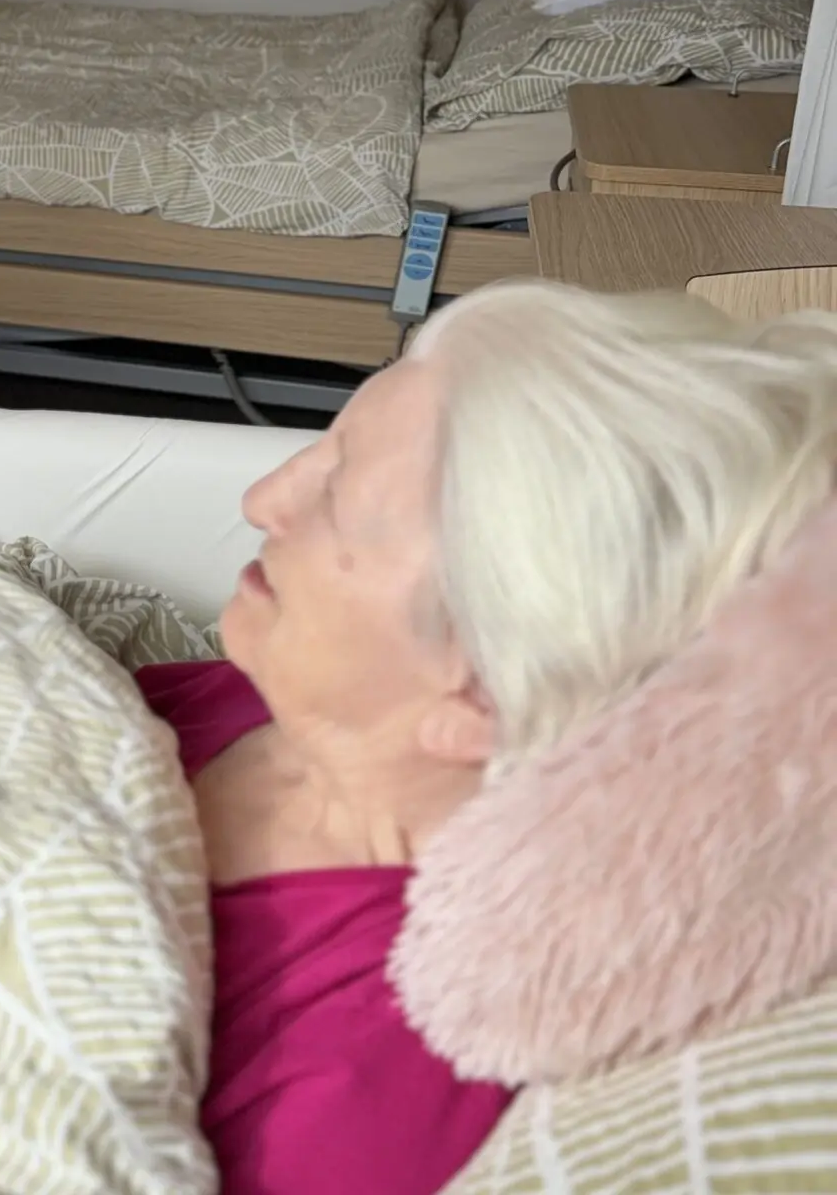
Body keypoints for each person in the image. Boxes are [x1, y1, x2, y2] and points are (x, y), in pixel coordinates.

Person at [140, 278, 837, 1195]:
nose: (264, 498)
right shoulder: (277, 695)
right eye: (323, 449)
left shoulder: (360, 1087)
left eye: (339, 496)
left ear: (479, 696)